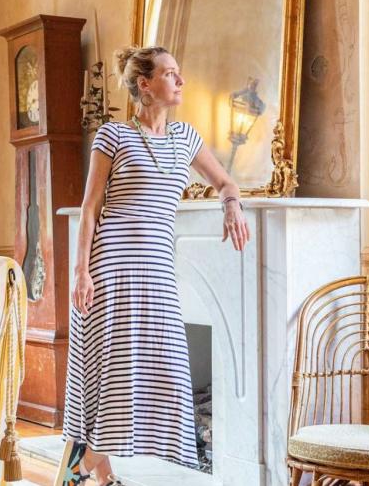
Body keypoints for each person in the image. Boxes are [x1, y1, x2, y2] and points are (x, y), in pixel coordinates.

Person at [59, 45, 250, 485]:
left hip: (158, 271)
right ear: (144, 85)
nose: (180, 81)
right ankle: (93, 472)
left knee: (164, 372)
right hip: (111, 269)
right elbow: (89, 209)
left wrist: (232, 206)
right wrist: (81, 272)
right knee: (116, 371)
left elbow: (224, 181)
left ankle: (88, 467)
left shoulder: (186, 138)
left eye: (179, 73)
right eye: (170, 73)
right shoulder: (114, 136)